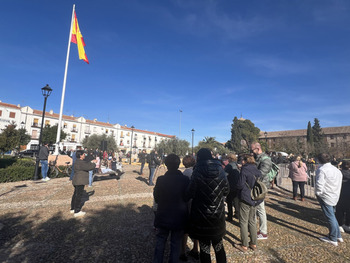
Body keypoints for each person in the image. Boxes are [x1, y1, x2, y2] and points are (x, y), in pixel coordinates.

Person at [185, 148, 229, 263]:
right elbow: (226, 190)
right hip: (217, 214)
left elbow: (190, 192)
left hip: (202, 214)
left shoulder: (197, 170)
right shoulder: (220, 169)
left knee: (205, 249)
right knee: (219, 246)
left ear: (198, 158)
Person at [153, 154, 190, 263]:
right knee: (176, 244)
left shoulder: (160, 180)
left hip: (163, 214)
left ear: (166, 165)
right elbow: (187, 196)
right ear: (178, 164)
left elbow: (156, 197)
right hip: (179, 216)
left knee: (160, 242)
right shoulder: (185, 180)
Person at [235, 154, 262, 252]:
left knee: (243, 221)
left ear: (245, 161)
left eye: (242, 160)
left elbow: (240, 184)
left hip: (245, 197)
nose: (241, 161)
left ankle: (244, 245)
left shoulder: (244, 169)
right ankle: (254, 243)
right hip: (255, 197)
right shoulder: (256, 169)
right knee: (252, 220)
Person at [315, 153, 343, 246]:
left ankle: (333, 238)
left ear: (319, 160)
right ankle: (338, 235)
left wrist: (318, 193)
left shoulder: (322, 170)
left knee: (330, 216)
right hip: (334, 194)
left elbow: (319, 184)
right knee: (332, 216)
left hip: (326, 195)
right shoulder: (336, 170)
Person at [251, 142, 272, 240]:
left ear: (257, 148)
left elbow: (261, 173)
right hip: (256, 185)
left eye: (252, 150)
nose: (252, 152)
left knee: (260, 208)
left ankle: (263, 232)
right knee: (257, 208)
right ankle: (256, 229)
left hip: (261, 186)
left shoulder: (266, 159)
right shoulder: (258, 158)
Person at [180, 155, 199, 261]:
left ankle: (182, 251)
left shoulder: (185, 174)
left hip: (187, 203)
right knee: (195, 227)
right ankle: (196, 249)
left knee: (185, 229)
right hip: (196, 203)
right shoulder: (197, 172)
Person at [70, 150, 96, 217]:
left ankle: (73, 208)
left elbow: (86, 165)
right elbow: (89, 167)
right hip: (80, 181)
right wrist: (94, 163)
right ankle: (77, 211)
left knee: (75, 194)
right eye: (84, 154)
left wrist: (90, 162)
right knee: (78, 195)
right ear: (81, 155)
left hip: (76, 180)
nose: (85, 155)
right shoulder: (81, 162)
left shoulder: (77, 161)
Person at [223, 153, 240, 221]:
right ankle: (237, 214)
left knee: (229, 201)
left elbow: (225, 175)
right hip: (237, 185)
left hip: (230, 185)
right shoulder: (237, 165)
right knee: (236, 201)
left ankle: (230, 216)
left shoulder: (229, 166)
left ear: (230, 159)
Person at [336, 160, 350, 233]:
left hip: (340, 194)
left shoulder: (338, 173)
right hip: (348, 194)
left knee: (339, 210)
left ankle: (340, 224)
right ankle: (347, 224)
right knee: (348, 210)